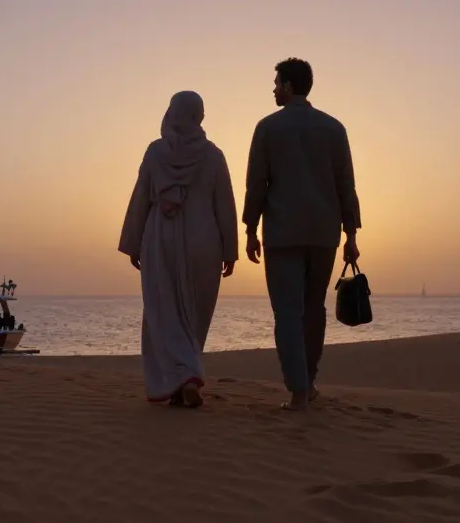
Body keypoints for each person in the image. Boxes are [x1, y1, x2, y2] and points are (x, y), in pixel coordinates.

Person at [242, 58, 361, 411]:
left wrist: (250, 228)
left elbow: (256, 184)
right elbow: (346, 185)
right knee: (313, 310)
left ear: (289, 86)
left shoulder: (267, 128)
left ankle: (298, 392)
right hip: (324, 234)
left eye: (277, 83)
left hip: (282, 235)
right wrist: (351, 235)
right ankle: (308, 383)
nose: (273, 89)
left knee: (287, 314)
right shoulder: (334, 128)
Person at [119, 91, 239, 408]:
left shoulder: (155, 152)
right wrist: (230, 250)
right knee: (194, 312)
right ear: (199, 116)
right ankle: (187, 376)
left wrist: (133, 242)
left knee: (162, 311)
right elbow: (224, 204)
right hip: (204, 240)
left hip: (161, 238)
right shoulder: (213, 155)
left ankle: (179, 378)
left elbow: (141, 197)